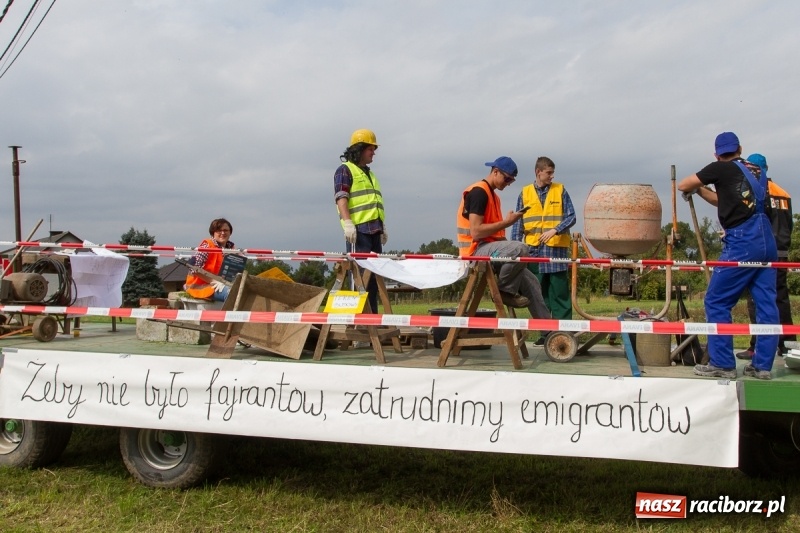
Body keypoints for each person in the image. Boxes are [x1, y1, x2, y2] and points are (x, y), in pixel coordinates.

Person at [678, 132, 779, 380]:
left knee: (717, 300)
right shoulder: (756, 171)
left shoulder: (719, 168)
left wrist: (695, 187)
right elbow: (726, 200)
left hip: (742, 241)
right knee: (766, 304)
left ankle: (722, 364)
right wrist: (702, 191)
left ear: (716, 154)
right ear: (740, 148)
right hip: (766, 239)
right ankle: (762, 366)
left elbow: (683, 184)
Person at [456, 156, 550, 322]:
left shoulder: (494, 197)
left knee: (532, 282)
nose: (508, 184)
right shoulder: (479, 192)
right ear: (495, 171)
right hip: (475, 252)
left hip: (491, 249)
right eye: (507, 179)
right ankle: (505, 290)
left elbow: (495, 234)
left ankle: (549, 331)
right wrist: (507, 222)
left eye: (511, 181)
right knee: (521, 248)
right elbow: (476, 232)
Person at [735, 153, 795, 360]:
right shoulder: (783, 193)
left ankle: (756, 346)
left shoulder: (757, 192)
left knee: (756, 299)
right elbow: (790, 224)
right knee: (781, 298)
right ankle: (788, 345)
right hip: (782, 251)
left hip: (763, 250)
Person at [512, 156, 576, 345]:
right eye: (549, 172)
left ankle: (565, 335)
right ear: (538, 172)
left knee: (559, 294)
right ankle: (546, 334)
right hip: (533, 252)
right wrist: (514, 248)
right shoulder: (525, 193)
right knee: (539, 295)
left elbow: (571, 217)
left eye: (552, 173)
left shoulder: (560, 190)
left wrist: (555, 229)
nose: (551, 176)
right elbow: (517, 224)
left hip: (556, 252)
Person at [334, 128, 387, 314]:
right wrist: (348, 223)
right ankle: (359, 322)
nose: (374, 153)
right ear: (360, 149)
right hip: (359, 233)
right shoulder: (345, 170)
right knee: (359, 280)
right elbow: (341, 198)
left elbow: (374, 203)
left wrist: (382, 227)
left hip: (374, 232)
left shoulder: (370, 174)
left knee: (373, 280)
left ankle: (371, 320)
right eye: (370, 149)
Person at [184, 218, 236, 302]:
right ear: (213, 232)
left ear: (230, 232)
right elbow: (193, 268)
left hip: (222, 284)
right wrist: (214, 281)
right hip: (199, 286)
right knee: (231, 294)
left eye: (225, 230)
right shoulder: (207, 246)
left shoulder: (232, 249)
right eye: (219, 230)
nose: (223, 233)